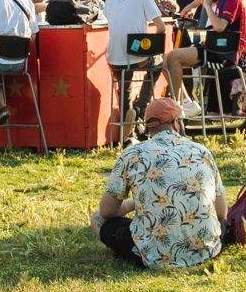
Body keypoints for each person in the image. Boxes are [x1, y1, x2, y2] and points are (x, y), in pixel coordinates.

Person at [92, 96, 228, 269]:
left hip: (154, 255)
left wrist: (135, 203)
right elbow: (222, 213)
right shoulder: (202, 151)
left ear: (149, 127)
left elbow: (106, 211)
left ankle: (130, 251)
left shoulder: (132, 154)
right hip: (206, 250)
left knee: (97, 219)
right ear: (176, 123)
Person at [161, 0, 246, 114]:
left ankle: (177, 108)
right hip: (215, 48)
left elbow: (219, 26)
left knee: (174, 57)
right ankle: (184, 103)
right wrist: (191, 6)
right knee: (166, 61)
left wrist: (206, 7)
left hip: (224, 53)